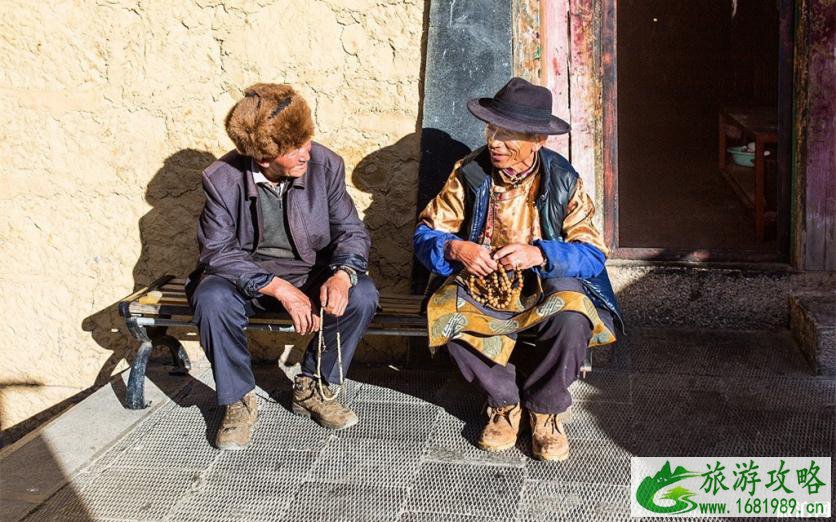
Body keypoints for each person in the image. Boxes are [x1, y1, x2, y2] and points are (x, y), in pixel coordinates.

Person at [413, 77, 623, 461]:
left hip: (545, 282)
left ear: (538, 141)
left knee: (573, 317)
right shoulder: (469, 173)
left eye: (508, 134)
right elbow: (426, 234)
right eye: (492, 130)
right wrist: (456, 247)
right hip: (485, 283)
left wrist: (539, 254)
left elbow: (593, 253)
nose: (495, 142)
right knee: (446, 312)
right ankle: (503, 402)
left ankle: (545, 410)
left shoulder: (561, 179)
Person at [188, 83, 378, 450]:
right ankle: (238, 401)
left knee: (363, 293)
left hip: (311, 274)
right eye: (294, 150)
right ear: (264, 158)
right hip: (246, 279)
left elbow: (351, 231)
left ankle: (313, 387)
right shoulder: (220, 179)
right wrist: (276, 286)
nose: (306, 153)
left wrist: (342, 273)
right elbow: (217, 252)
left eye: (306, 141)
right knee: (210, 298)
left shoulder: (326, 165)